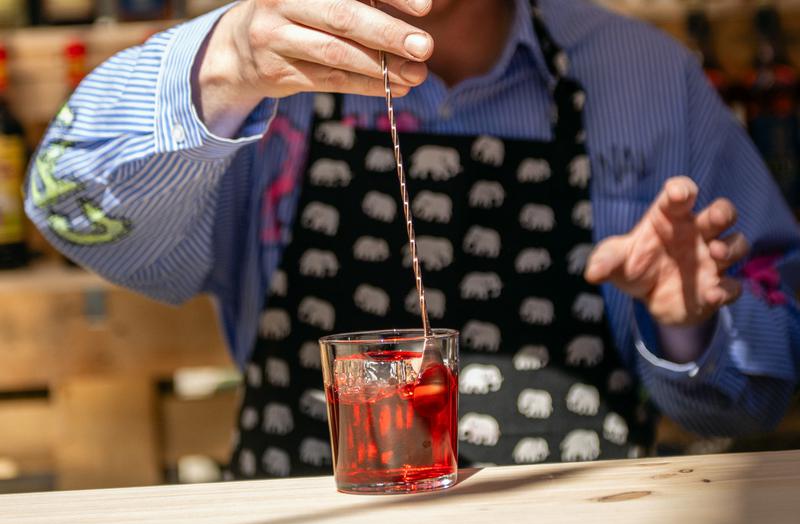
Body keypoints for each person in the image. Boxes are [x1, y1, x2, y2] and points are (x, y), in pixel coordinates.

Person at [25, 0, 800, 478]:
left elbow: (762, 389)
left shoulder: (647, 79)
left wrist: (688, 322)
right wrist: (227, 64)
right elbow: (67, 210)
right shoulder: (263, 64)